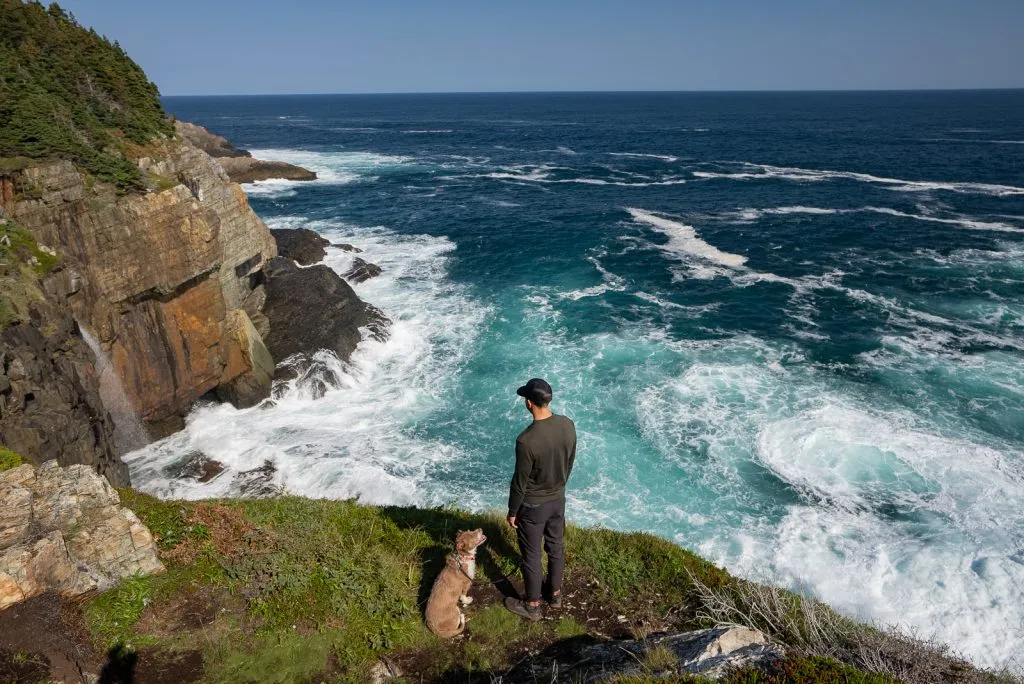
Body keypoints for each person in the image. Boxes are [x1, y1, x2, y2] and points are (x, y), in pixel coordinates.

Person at [504, 378, 577, 621]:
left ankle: (532, 605)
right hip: (558, 499)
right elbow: (569, 460)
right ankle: (555, 596)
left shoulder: (526, 440)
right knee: (555, 547)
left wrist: (513, 510)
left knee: (532, 555)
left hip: (533, 506)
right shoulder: (568, 425)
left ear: (529, 403)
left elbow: (520, 481)